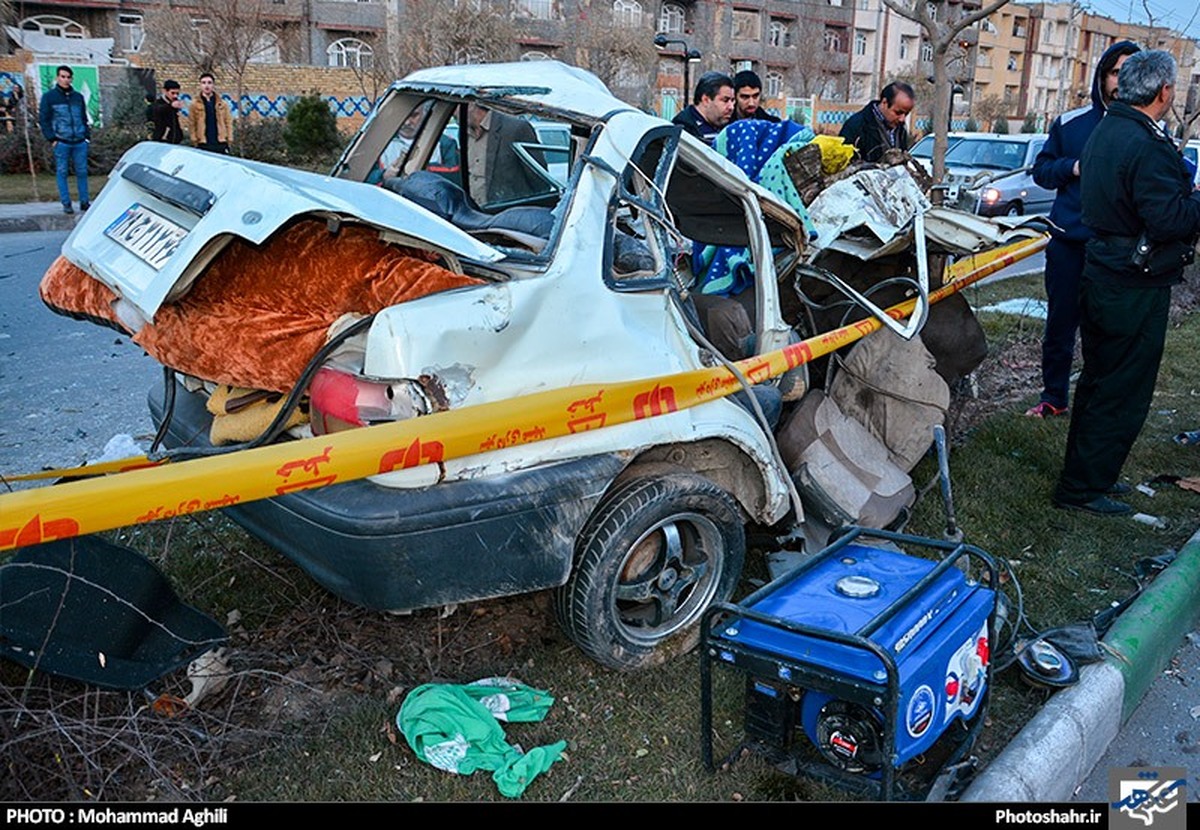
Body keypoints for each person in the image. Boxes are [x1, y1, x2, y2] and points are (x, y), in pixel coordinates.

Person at [1053, 50, 1200, 516]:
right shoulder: (1141, 141)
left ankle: (1093, 475)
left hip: (1107, 271)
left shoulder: (1109, 129)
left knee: (1102, 381)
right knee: (1120, 388)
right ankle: (1081, 488)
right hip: (1131, 281)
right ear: (1164, 92)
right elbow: (1168, 219)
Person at [1026, 41, 1141, 419]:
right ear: (1102, 75)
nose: (1122, 80)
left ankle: (1100, 405)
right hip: (1070, 244)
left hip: (1120, 249)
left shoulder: (1147, 130)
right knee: (1060, 324)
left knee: (1109, 331)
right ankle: (1054, 397)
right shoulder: (1071, 123)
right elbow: (1042, 171)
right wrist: (1073, 167)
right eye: (1115, 71)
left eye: (1131, 72)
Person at [465, 104, 544, 205]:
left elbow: (539, 181)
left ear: (471, 105)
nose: (453, 114)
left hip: (506, 213)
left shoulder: (515, 129)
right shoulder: (465, 132)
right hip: (473, 212)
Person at [38, 66, 90, 215]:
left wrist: (86, 136)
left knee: (82, 172)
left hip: (80, 140)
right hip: (62, 141)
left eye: (68, 77)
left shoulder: (78, 97)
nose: (65, 80)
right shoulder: (49, 97)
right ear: (57, 78)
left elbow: (83, 117)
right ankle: (66, 203)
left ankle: (84, 201)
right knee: (62, 172)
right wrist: (52, 138)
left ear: (72, 79)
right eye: (62, 76)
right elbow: (44, 119)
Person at [839, 81, 914, 163]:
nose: (902, 119)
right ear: (884, 102)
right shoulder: (856, 126)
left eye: (906, 114)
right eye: (898, 112)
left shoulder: (900, 129)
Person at [671, 71, 735, 145]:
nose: (731, 107)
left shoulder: (729, 125)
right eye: (725, 100)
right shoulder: (684, 130)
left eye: (733, 100)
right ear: (706, 100)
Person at [188, 72, 233, 154]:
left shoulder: (222, 103)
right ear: (200, 85)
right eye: (204, 83)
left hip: (220, 142)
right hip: (203, 142)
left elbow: (228, 122)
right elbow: (192, 123)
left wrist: (229, 139)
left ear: (213, 85)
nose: (206, 85)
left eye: (209, 83)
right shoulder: (194, 104)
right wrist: (194, 140)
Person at [150, 79, 185, 144]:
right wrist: (170, 106)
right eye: (172, 93)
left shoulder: (175, 103)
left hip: (174, 141)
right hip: (162, 141)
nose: (175, 96)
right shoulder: (158, 103)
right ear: (165, 91)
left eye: (177, 93)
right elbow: (158, 109)